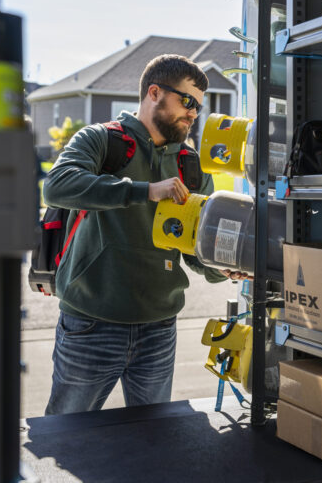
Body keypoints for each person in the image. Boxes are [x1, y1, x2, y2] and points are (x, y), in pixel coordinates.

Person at [43, 54, 246, 415]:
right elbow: (57, 186)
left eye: (198, 106)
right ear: (154, 92)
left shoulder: (191, 165)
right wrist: (144, 190)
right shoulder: (100, 139)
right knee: (66, 440)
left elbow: (194, 249)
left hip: (159, 330)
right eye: (187, 101)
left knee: (154, 447)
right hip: (90, 327)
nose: (194, 113)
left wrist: (222, 268)